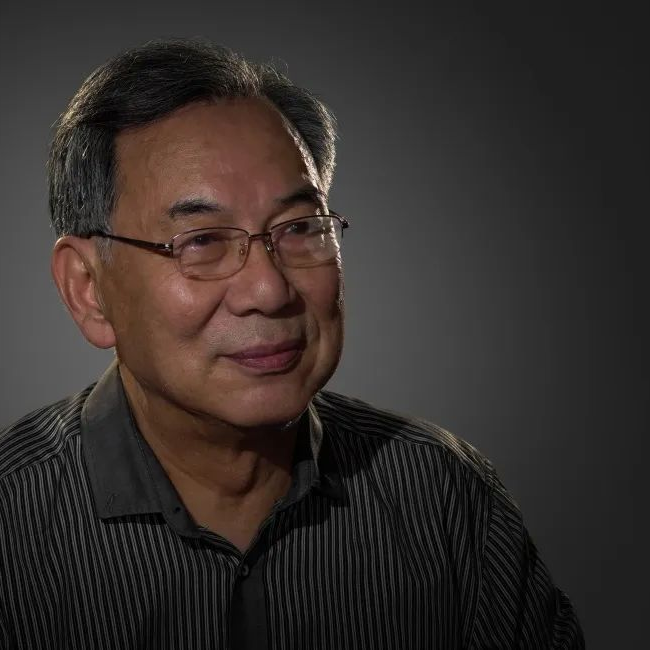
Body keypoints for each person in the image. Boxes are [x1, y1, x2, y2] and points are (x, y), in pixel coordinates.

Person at [0, 38, 584, 649]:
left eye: (300, 228)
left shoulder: (443, 497)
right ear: (89, 289)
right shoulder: (15, 522)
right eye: (202, 241)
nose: (269, 289)